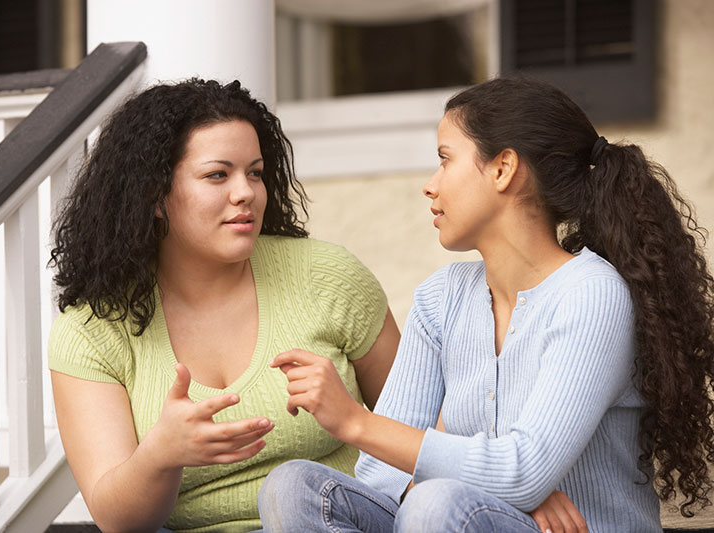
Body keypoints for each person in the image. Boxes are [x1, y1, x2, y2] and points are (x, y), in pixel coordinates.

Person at [257, 76, 714, 532]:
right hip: (465, 518)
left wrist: (354, 422)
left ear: (503, 169)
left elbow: (523, 471)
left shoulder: (591, 293)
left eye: (444, 160)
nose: (430, 186)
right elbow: (379, 472)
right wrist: (496, 484)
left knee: (437, 506)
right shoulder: (442, 298)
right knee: (293, 487)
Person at [47, 78, 401, 533]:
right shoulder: (94, 330)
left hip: (335, 522)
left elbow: (414, 434)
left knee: (293, 490)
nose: (246, 193)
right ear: (154, 195)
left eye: (254, 172)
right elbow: (118, 520)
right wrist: (162, 453)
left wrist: (350, 419)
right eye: (218, 175)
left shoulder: (327, 277)